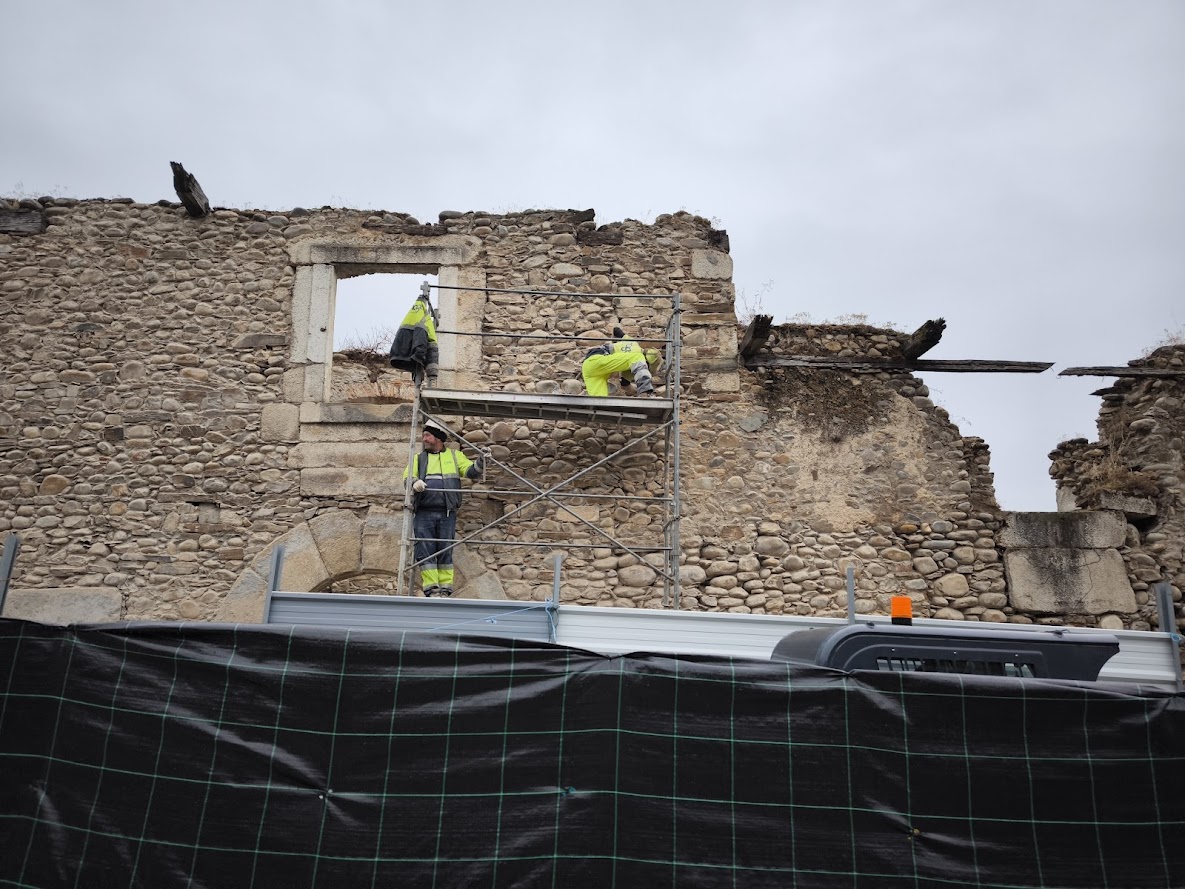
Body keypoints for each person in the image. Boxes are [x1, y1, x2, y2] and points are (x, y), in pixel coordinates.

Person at [402, 421, 484, 597]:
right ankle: (431, 588)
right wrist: (414, 482)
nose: (424, 439)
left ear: (438, 438)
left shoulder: (455, 456)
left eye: (427, 436)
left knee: (445, 549)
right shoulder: (418, 458)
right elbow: (407, 476)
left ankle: (446, 588)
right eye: (424, 435)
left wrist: (482, 461)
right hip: (423, 512)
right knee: (425, 548)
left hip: (447, 513)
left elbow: (470, 472)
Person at [581, 326, 662, 397]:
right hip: (598, 359)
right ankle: (645, 390)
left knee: (598, 401)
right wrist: (641, 393)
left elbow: (616, 330)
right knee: (637, 356)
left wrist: (615, 344)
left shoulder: (632, 342)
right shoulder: (637, 358)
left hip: (589, 367)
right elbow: (625, 385)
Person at [388, 288, 440, 387]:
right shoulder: (424, 319)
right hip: (415, 355)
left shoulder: (410, 316)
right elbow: (430, 344)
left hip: (399, 355)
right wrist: (432, 372)